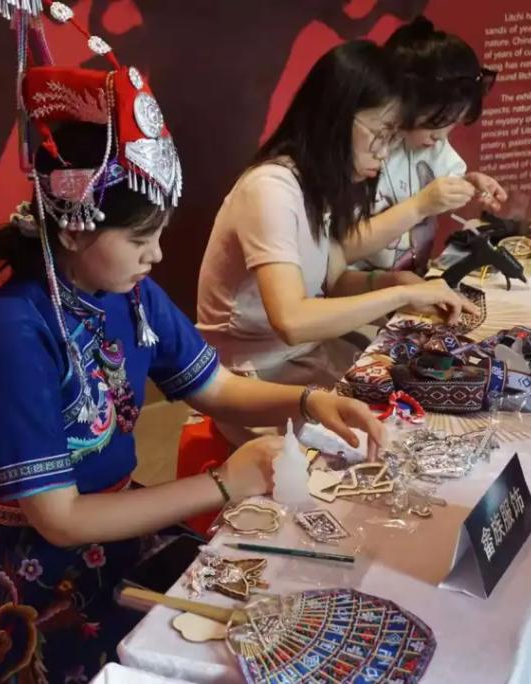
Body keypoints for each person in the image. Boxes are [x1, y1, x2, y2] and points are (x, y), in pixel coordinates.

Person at [0, 10, 386, 682]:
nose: (156, 255)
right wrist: (221, 482)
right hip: (36, 582)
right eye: (139, 238)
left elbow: (215, 388)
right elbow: (60, 519)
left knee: (275, 611)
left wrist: (306, 401)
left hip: (118, 534)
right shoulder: (15, 334)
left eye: (159, 234)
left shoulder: (130, 294)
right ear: (74, 226)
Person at [195, 40, 477, 446]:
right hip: (250, 379)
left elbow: (331, 281)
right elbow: (292, 320)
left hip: (302, 358)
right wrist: (398, 297)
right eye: (380, 135)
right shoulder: (271, 189)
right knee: (389, 441)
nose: (384, 153)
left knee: (419, 408)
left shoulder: (318, 185)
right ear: (337, 118)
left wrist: (394, 283)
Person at [359, 16, 508, 274]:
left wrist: (469, 186)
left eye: (453, 123)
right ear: (402, 103)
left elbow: (445, 187)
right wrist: (420, 205)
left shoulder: (433, 146)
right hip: (358, 289)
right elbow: (344, 245)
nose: (440, 136)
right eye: (433, 123)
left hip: (412, 282)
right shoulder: (364, 152)